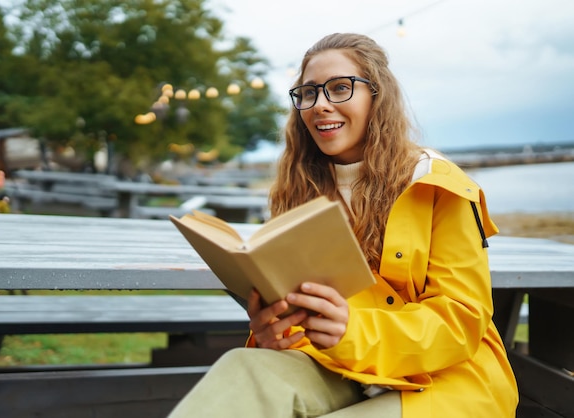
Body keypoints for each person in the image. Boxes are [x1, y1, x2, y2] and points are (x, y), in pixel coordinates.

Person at [167, 32, 518, 417]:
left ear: (377, 95)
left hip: (444, 379)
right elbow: (302, 311)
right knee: (243, 369)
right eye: (308, 93)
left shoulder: (437, 185)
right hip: (338, 368)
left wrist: (351, 331)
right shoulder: (298, 188)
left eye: (339, 88)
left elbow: (460, 321)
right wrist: (275, 332)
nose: (320, 105)